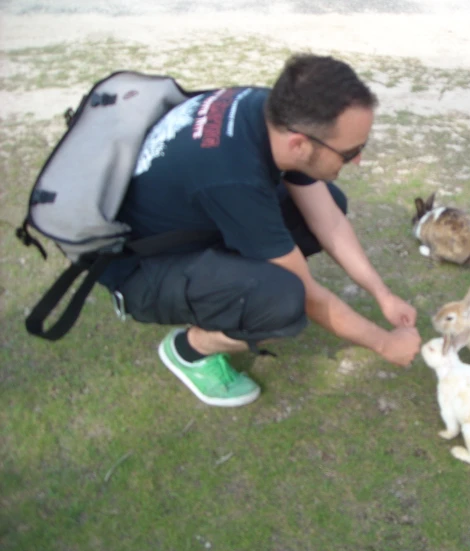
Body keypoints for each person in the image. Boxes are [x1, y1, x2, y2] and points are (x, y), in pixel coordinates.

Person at [98, 53, 422, 407]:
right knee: (284, 301)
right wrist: (384, 343)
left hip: (187, 221)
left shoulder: (272, 112)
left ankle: (237, 278)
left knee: (329, 200)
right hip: (138, 269)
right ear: (299, 144)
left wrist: (382, 294)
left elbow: (327, 219)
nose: (359, 160)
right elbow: (310, 296)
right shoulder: (234, 177)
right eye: (351, 152)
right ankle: (188, 350)